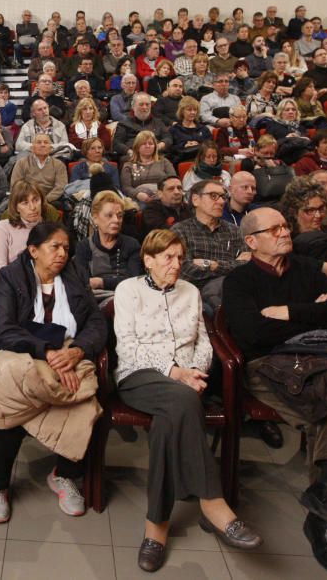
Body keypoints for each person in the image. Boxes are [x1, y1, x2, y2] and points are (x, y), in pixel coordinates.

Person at [223, 207, 327, 579]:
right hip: (267, 367)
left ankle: (325, 512)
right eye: (275, 229)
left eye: (286, 225)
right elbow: (251, 334)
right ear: (252, 241)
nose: (286, 232)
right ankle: (326, 524)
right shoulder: (240, 280)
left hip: (317, 361)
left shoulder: (305, 269)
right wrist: (314, 315)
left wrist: (287, 312)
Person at [115, 228, 262, 572]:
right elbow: (127, 346)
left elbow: (203, 342)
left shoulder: (191, 291)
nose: (176, 264)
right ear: (148, 260)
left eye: (180, 257)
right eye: (167, 257)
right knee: (181, 399)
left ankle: (156, 528)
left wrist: (194, 371)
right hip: (139, 376)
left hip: (184, 385)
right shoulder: (128, 290)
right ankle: (213, 502)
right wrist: (174, 372)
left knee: (174, 413)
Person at [0, 223, 107, 523]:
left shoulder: (74, 275)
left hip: (65, 351)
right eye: (55, 247)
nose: (63, 253)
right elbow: (2, 328)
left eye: (66, 247)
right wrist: (46, 353)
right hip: (19, 353)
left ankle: (64, 474)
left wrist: (76, 352)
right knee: (15, 400)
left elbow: (96, 323)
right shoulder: (11, 276)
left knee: (84, 401)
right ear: (33, 250)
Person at [172, 179, 248, 310]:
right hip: (193, 293)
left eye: (223, 197)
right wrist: (231, 265)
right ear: (196, 200)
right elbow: (185, 270)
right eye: (213, 196)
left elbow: (246, 265)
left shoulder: (234, 230)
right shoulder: (180, 231)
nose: (221, 201)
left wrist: (211, 264)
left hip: (231, 288)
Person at [0, 180, 57, 295]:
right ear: (16, 207)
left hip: (39, 287)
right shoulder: (3, 227)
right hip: (3, 284)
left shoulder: (51, 229)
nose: (32, 207)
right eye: (25, 203)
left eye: (35, 200)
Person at [72, 189, 142, 297]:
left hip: (128, 296)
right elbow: (84, 283)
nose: (116, 220)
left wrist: (101, 282)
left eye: (119, 216)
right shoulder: (84, 246)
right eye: (109, 215)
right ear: (95, 218)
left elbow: (133, 280)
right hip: (95, 299)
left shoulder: (131, 245)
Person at [10, 131, 67, 206]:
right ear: (32, 148)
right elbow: (16, 185)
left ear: (51, 148)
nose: (42, 145)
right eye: (39, 142)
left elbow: (60, 187)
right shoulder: (21, 163)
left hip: (50, 201)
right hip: (26, 200)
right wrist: (30, 201)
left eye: (46, 142)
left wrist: (44, 200)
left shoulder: (59, 165)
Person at [120, 131, 176, 206]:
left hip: (162, 197)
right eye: (144, 144)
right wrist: (137, 194)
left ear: (155, 146)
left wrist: (161, 193)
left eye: (150, 144)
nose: (147, 146)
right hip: (140, 199)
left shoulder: (164, 162)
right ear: (137, 147)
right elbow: (126, 188)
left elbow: (173, 181)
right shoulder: (128, 165)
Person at [113, 93, 170, 159]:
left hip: (156, 155)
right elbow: (117, 143)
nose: (145, 107)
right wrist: (129, 152)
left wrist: (160, 146)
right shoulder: (124, 124)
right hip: (133, 156)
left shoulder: (158, 122)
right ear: (133, 106)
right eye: (141, 104)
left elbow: (168, 138)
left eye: (147, 104)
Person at [168, 96, 213, 163]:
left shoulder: (204, 129)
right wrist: (184, 145)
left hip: (201, 161)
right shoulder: (174, 129)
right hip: (181, 161)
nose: (193, 112)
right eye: (189, 110)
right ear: (182, 111)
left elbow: (211, 146)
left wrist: (199, 145)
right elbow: (170, 149)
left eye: (195, 110)